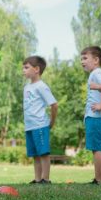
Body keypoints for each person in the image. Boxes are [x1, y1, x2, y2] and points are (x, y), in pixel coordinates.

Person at [22, 55, 58, 184]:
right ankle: (37, 179)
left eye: (26, 67)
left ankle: (46, 179)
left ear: (36, 69)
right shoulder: (27, 87)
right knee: (35, 154)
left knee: (43, 153)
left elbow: (54, 104)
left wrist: (51, 122)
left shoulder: (41, 86)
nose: (23, 70)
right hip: (30, 126)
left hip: (40, 125)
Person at [81, 46, 101, 185]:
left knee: (97, 148)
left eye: (85, 58)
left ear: (96, 60)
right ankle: (98, 178)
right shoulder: (94, 73)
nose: (82, 61)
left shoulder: (97, 72)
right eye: (81, 59)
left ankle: (100, 180)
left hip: (96, 117)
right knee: (95, 148)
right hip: (92, 117)